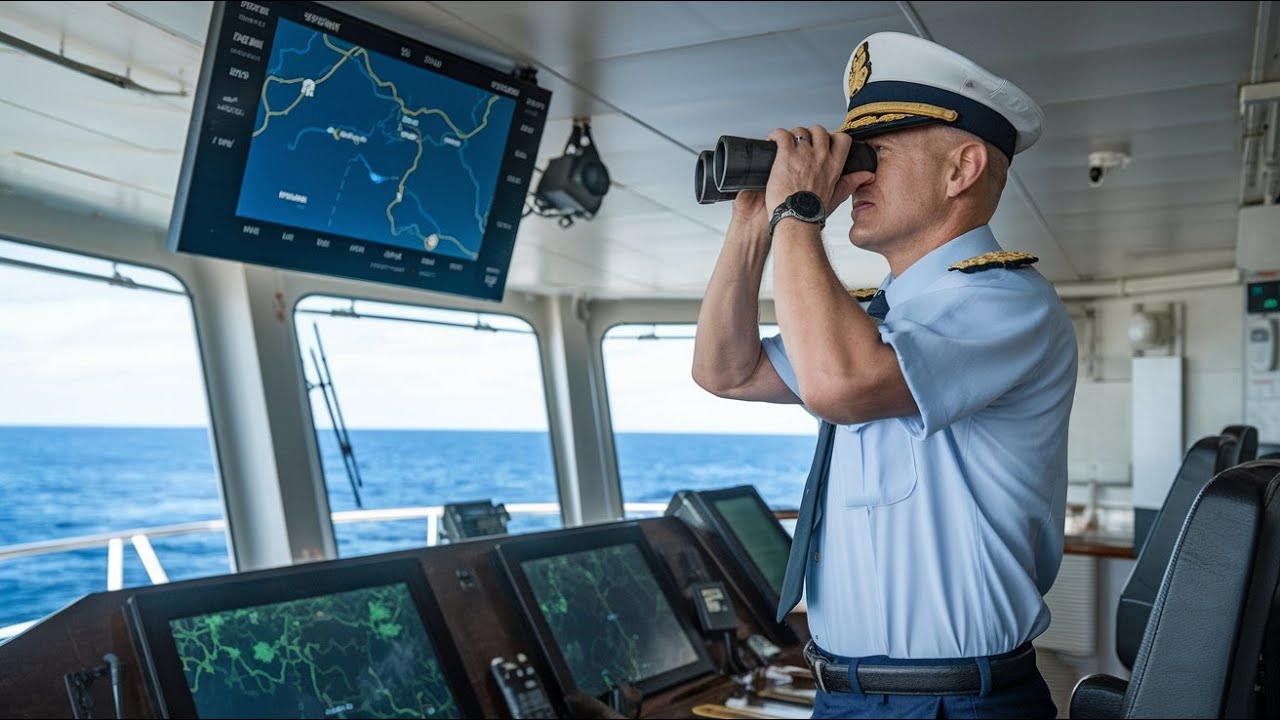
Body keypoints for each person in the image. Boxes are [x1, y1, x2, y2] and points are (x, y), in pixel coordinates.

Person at [691, 31, 1077, 719]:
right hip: (842, 694)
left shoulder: (1006, 303)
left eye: (876, 156)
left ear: (962, 169)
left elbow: (843, 385)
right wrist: (754, 224)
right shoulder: (876, 321)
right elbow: (726, 370)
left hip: (953, 703)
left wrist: (801, 214)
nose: (855, 176)